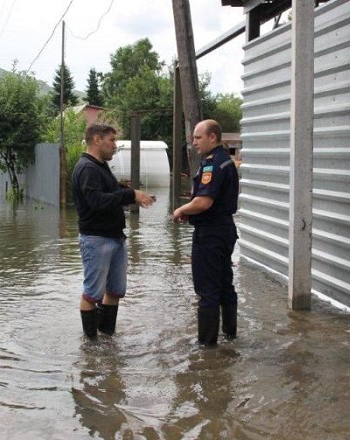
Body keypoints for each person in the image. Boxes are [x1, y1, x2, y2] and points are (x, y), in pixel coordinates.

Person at [72, 123, 154, 338]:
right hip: (96, 239)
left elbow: (111, 191)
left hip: (115, 237)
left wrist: (134, 194)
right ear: (97, 140)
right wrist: (130, 196)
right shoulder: (87, 168)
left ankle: (107, 338)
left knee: (115, 291)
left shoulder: (100, 166)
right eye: (111, 140)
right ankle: (91, 348)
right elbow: (96, 201)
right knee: (92, 294)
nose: (115, 146)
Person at [172, 119, 239, 346]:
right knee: (224, 285)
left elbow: (204, 202)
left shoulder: (212, 164)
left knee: (207, 290)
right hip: (223, 230)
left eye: (198, 137)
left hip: (210, 234)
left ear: (213, 137)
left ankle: (207, 348)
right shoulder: (225, 161)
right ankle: (230, 336)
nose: (194, 142)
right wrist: (191, 213)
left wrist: (181, 209)